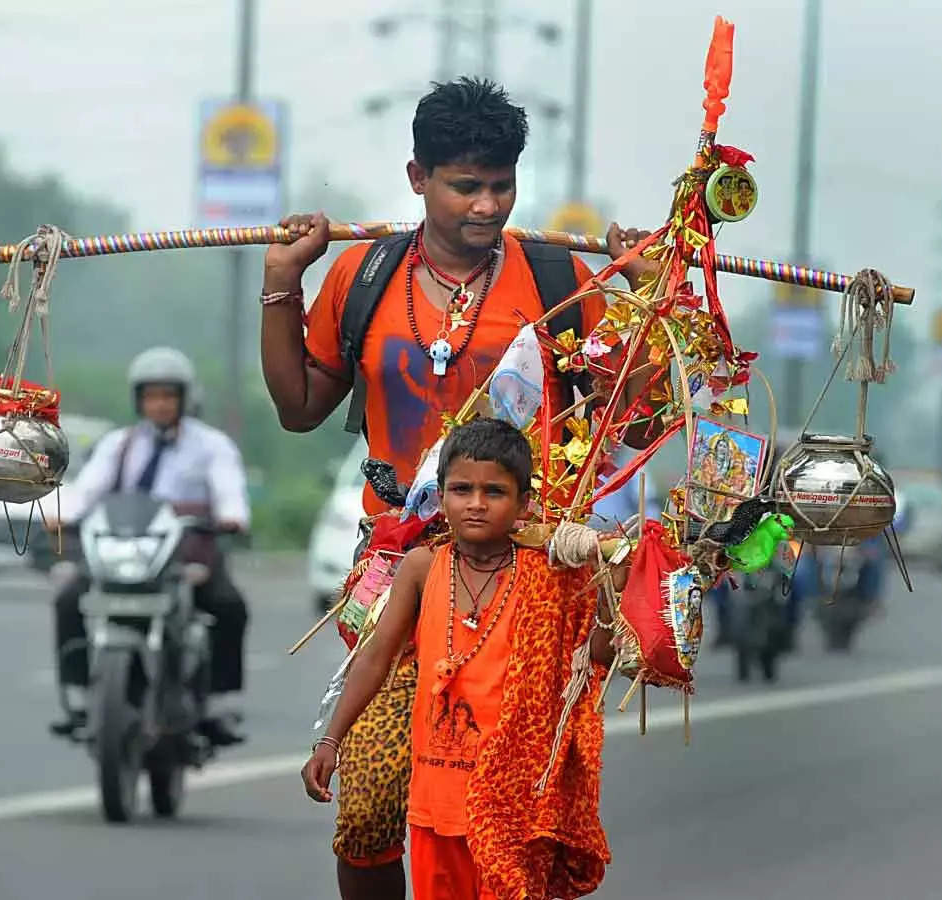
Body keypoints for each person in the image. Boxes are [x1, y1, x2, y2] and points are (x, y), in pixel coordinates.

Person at [260, 77, 657, 900]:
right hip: (396, 572)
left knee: (509, 813)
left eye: (502, 185)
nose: (487, 206)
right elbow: (299, 408)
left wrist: (647, 298)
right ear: (417, 179)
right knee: (369, 808)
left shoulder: (556, 282)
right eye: (464, 185)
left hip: (529, 580)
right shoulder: (362, 276)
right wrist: (280, 282)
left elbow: (636, 423)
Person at [303, 418, 615, 900]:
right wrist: (331, 738)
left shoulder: (548, 574)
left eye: (494, 491)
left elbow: (591, 655)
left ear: (523, 503)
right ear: (441, 497)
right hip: (434, 805)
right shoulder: (422, 567)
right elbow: (375, 657)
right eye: (461, 489)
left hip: (511, 803)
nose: (475, 503)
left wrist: (616, 591)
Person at [48, 347, 251, 746]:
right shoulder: (119, 444)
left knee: (229, 606)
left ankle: (218, 704)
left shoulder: (211, 446)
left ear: (185, 398)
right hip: (127, 549)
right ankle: (76, 697)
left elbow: (228, 488)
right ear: (138, 400)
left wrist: (231, 516)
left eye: (168, 396)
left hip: (189, 550)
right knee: (68, 598)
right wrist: (63, 515)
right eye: (151, 396)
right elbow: (89, 488)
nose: (159, 404)